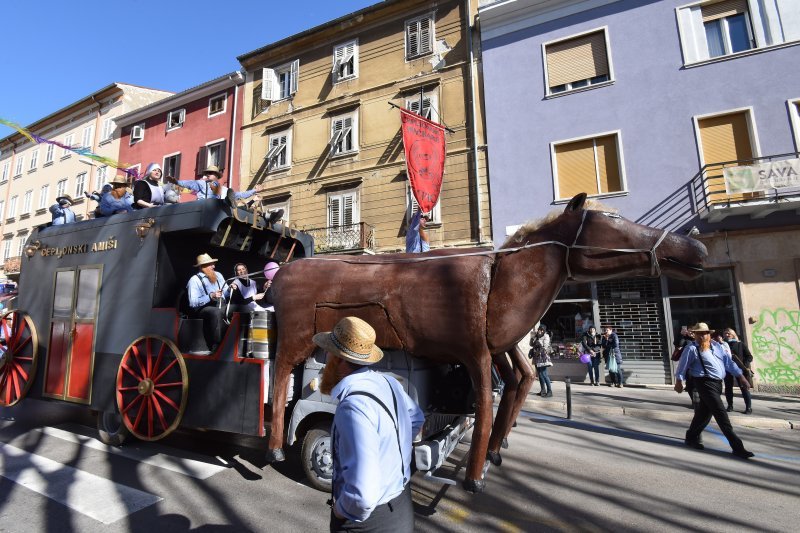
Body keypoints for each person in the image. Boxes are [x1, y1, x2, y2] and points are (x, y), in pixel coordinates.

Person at [316, 316, 424, 532]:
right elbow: (417, 420)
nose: (326, 356)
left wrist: (339, 510)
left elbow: (362, 498)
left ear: (340, 360)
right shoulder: (389, 382)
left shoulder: (353, 407)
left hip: (368, 523)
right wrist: (389, 456)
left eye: (329, 352)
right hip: (401, 506)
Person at [674, 322, 754, 459]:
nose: (703, 336)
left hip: (717, 384)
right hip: (703, 383)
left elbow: (729, 363)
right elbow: (682, 365)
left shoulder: (717, 346)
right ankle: (737, 447)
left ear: (709, 334)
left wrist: (741, 377)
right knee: (720, 412)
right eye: (699, 333)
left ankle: (691, 437)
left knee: (704, 413)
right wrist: (679, 381)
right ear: (695, 335)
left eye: (705, 333)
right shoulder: (692, 348)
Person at [186, 253, 230, 353]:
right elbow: (193, 303)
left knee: (238, 309)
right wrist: (211, 296)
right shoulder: (194, 280)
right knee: (216, 312)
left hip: (221, 304)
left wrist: (230, 289)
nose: (213, 266)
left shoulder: (218, 275)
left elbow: (226, 293)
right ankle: (217, 346)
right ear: (202, 267)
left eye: (213, 264)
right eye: (210, 264)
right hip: (204, 308)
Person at [722, 328, 754, 414]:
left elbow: (749, 356)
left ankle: (748, 407)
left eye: (728, 333)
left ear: (733, 334)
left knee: (744, 388)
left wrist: (745, 365)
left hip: (740, 369)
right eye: (725, 333)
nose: (727, 335)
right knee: (728, 388)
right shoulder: (723, 345)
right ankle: (730, 406)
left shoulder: (740, 344)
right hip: (727, 369)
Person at [529, 325, 553, 397]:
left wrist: (538, 340)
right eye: (539, 329)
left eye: (542, 330)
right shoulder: (536, 336)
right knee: (540, 375)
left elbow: (545, 347)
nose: (540, 331)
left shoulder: (546, 336)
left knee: (544, 374)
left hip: (542, 358)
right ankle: (543, 390)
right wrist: (532, 337)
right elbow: (531, 344)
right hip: (536, 357)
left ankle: (549, 391)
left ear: (544, 330)